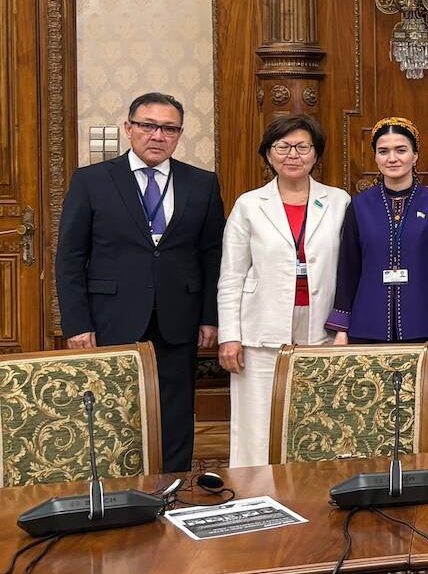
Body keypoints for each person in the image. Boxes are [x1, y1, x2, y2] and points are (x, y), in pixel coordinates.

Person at [54, 90, 225, 472]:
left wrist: (209, 316)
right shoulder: (92, 181)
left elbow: (212, 255)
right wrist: (77, 322)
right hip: (110, 316)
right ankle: (116, 487)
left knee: (176, 409)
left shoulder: (202, 184)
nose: (157, 135)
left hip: (178, 315)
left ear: (179, 134)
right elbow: (70, 257)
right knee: (113, 406)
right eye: (148, 126)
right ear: (129, 128)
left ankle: (172, 486)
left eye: (168, 128)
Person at [217, 114, 349, 467]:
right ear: (268, 154)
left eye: (303, 146)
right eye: (283, 146)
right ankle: (253, 494)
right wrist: (229, 336)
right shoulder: (249, 205)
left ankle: (312, 493)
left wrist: (345, 327)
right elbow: (231, 275)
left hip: (321, 326)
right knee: (257, 422)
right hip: (260, 328)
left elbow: (352, 269)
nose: (293, 154)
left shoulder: (339, 202)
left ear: (316, 154)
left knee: (317, 415)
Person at [325, 117, 428, 450]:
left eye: (401, 149)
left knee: (426, 409)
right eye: (383, 151)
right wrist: (341, 328)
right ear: (375, 157)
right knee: (369, 411)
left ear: (415, 155)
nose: (392, 157)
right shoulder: (359, 206)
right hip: (368, 326)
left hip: (424, 325)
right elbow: (348, 267)